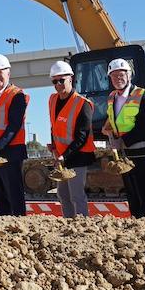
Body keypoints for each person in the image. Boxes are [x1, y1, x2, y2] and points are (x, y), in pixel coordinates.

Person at [102, 58, 145, 218]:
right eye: (114, 76)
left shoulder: (144, 97)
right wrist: (108, 128)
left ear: (129, 75)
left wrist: (124, 140)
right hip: (126, 154)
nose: (117, 78)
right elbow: (115, 118)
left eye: (121, 74)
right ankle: (136, 225)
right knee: (132, 194)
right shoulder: (112, 97)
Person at [0, 54, 29, 216]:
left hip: (12, 152)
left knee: (14, 195)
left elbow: (14, 126)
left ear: (8, 72)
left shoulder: (17, 95)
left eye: (0, 72)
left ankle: (18, 227)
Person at [48, 61, 95, 218]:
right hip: (62, 156)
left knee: (76, 195)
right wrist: (54, 147)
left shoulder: (83, 104)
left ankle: (82, 226)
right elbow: (53, 126)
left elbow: (82, 136)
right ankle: (69, 224)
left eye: (62, 80)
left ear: (71, 78)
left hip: (78, 156)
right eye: (55, 81)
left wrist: (64, 156)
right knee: (63, 194)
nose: (58, 84)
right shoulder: (53, 100)